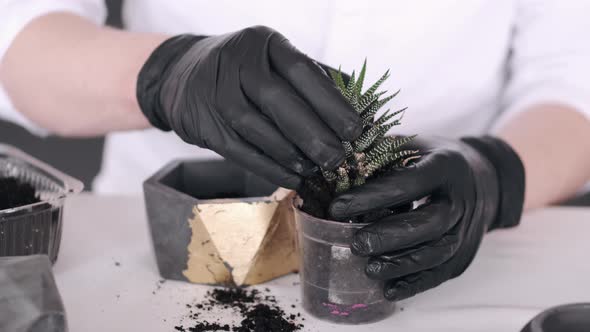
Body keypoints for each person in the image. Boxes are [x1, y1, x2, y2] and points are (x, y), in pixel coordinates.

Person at [1, 1, 589, 302]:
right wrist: (165, 74)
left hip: (436, 249)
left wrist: (497, 173)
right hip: (161, 246)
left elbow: (574, 77)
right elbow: (16, 30)